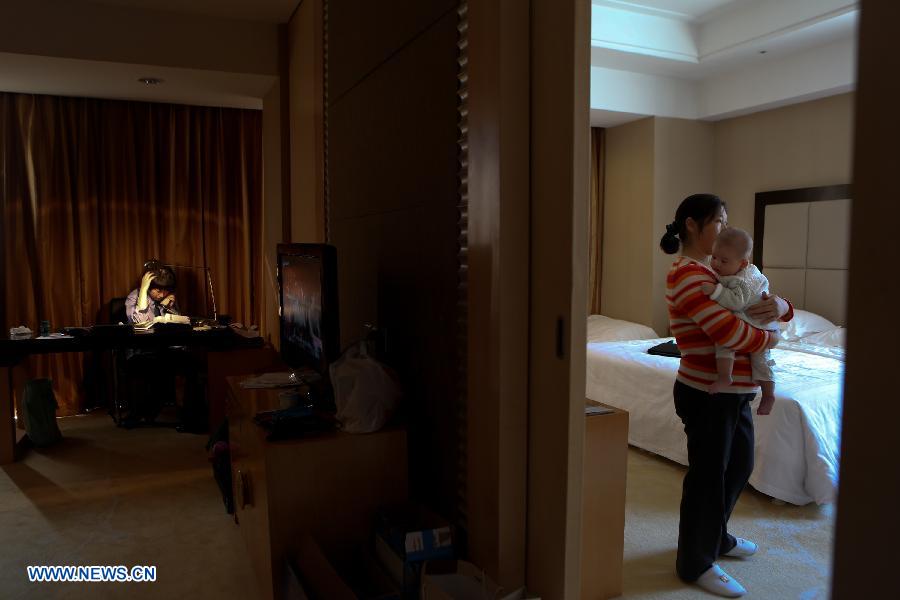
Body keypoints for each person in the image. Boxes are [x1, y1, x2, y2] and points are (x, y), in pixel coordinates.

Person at [660, 194, 793, 598]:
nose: (726, 229)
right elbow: (730, 333)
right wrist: (773, 335)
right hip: (705, 391)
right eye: (718, 221)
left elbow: (765, 301)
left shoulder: (721, 274)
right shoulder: (689, 275)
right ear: (692, 226)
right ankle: (695, 561)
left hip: (736, 391)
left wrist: (782, 308)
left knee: (738, 465)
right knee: (708, 478)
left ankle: (716, 537)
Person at [700, 227, 779, 415]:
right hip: (751, 322)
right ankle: (725, 377)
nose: (717, 264)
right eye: (715, 257)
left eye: (724, 260)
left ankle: (768, 394)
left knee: (759, 360)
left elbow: (736, 302)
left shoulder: (740, 279)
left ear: (743, 263)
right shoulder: (733, 270)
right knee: (727, 343)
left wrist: (715, 291)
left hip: (758, 323)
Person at [122, 263, 205, 432]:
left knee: (192, 365)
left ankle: (190, 419)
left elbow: (178, 325)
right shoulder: (134, 297)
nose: (161, 294)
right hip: (142, 351)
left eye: (165, 290)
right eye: (157, 290)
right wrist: (144, 291)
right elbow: (140, 323)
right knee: (145, 368)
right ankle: (139, 412)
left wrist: (169, 308)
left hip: (167, 350)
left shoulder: (167, 299)